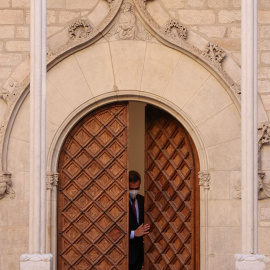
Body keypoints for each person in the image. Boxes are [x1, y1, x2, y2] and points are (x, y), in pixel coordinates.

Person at [129, 170, 150, 270]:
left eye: (136, 188)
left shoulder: (142, 200)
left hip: (139, 254)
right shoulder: (120, 202)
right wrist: (133, 233)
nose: (134, 191)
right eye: (131, 189)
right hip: (125, 254)